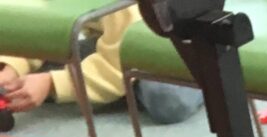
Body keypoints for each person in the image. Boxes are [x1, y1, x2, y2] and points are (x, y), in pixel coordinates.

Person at [0, 6, 202, 124]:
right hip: (111, 35)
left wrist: (54, 83)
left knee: (166, 99)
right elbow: (35, 19)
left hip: (175, 34)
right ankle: (111, 85)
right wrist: (12, 66)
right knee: (42, 63)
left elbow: (123, 49)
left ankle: (212, 74)